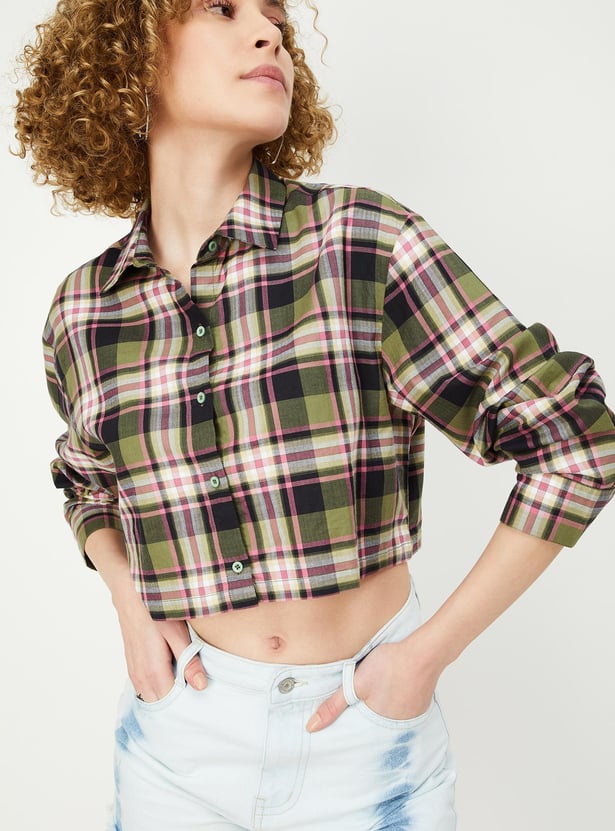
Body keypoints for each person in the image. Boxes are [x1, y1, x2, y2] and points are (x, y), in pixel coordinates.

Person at [14, 1, 615, 829]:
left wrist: (419, 660)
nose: (269, 34)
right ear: (128, 55)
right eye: (222, 8)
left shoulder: (359, 242)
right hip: (177, 745)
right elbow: (87, 481)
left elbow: (574, 441)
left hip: (365, 745)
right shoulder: (83, 311)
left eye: (276, 19)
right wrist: (128, 599)